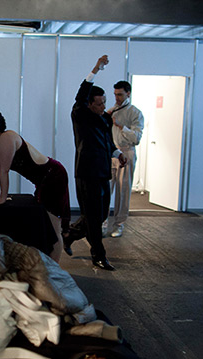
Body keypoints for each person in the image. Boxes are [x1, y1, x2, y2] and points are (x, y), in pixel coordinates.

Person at [0, 110, 71, 262]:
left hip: (53, 176)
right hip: (43, 179)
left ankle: (54, 272)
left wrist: (2, 198)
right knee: (46, 225)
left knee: (53, 228)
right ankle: (48, 268)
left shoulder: (7, 138)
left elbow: (4, 170)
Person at [64, 55, 126, 271]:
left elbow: (108, 142)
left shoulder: (105, 119)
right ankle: (98, 256)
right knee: (92, 218)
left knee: (99, 216)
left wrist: (118, 153)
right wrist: (95, 69)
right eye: (98, 104)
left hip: (102, 172)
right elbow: (80, 96)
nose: (103, 107)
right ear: (89, 104)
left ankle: (70, 234)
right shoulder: (80, 114)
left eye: (104, 103)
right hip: (86, 173)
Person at [102, 80, 144, 238]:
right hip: (111, 153)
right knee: (105, 190)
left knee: (123, 190)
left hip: (127, 152)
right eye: (115, 94)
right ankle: (103, 222)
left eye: (120, 94)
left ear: (128, 93)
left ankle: (119, 224)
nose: (117, 97)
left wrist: (121, 126)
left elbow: (136, 138)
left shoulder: (135, 113)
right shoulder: (110, 111)